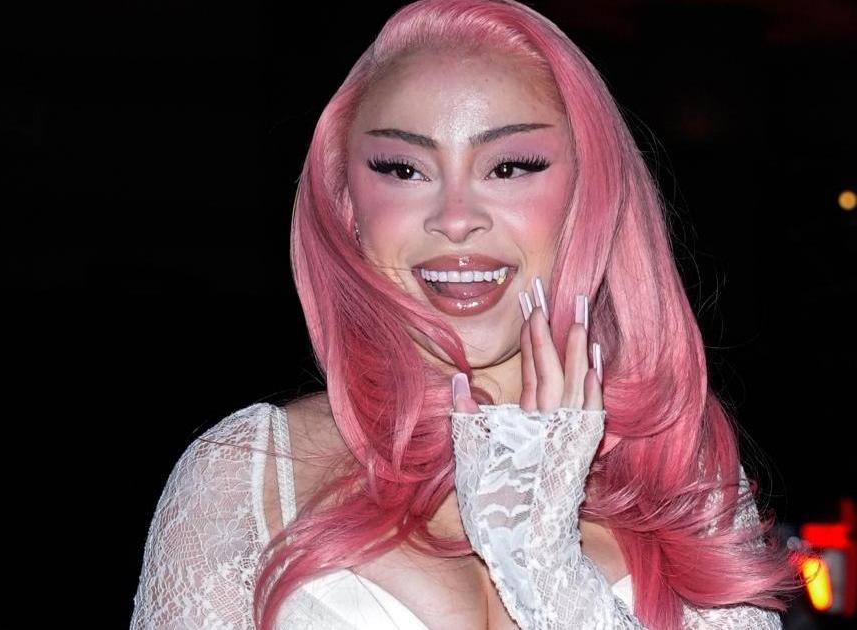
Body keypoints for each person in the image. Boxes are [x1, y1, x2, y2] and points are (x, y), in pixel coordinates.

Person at [129, 1, 800, 628]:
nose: (455, 220)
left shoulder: (684, 483)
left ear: (588, 195)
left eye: (509, 168)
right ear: (347, 205)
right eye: (403, 170)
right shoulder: (246, 473)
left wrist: (543, 563)